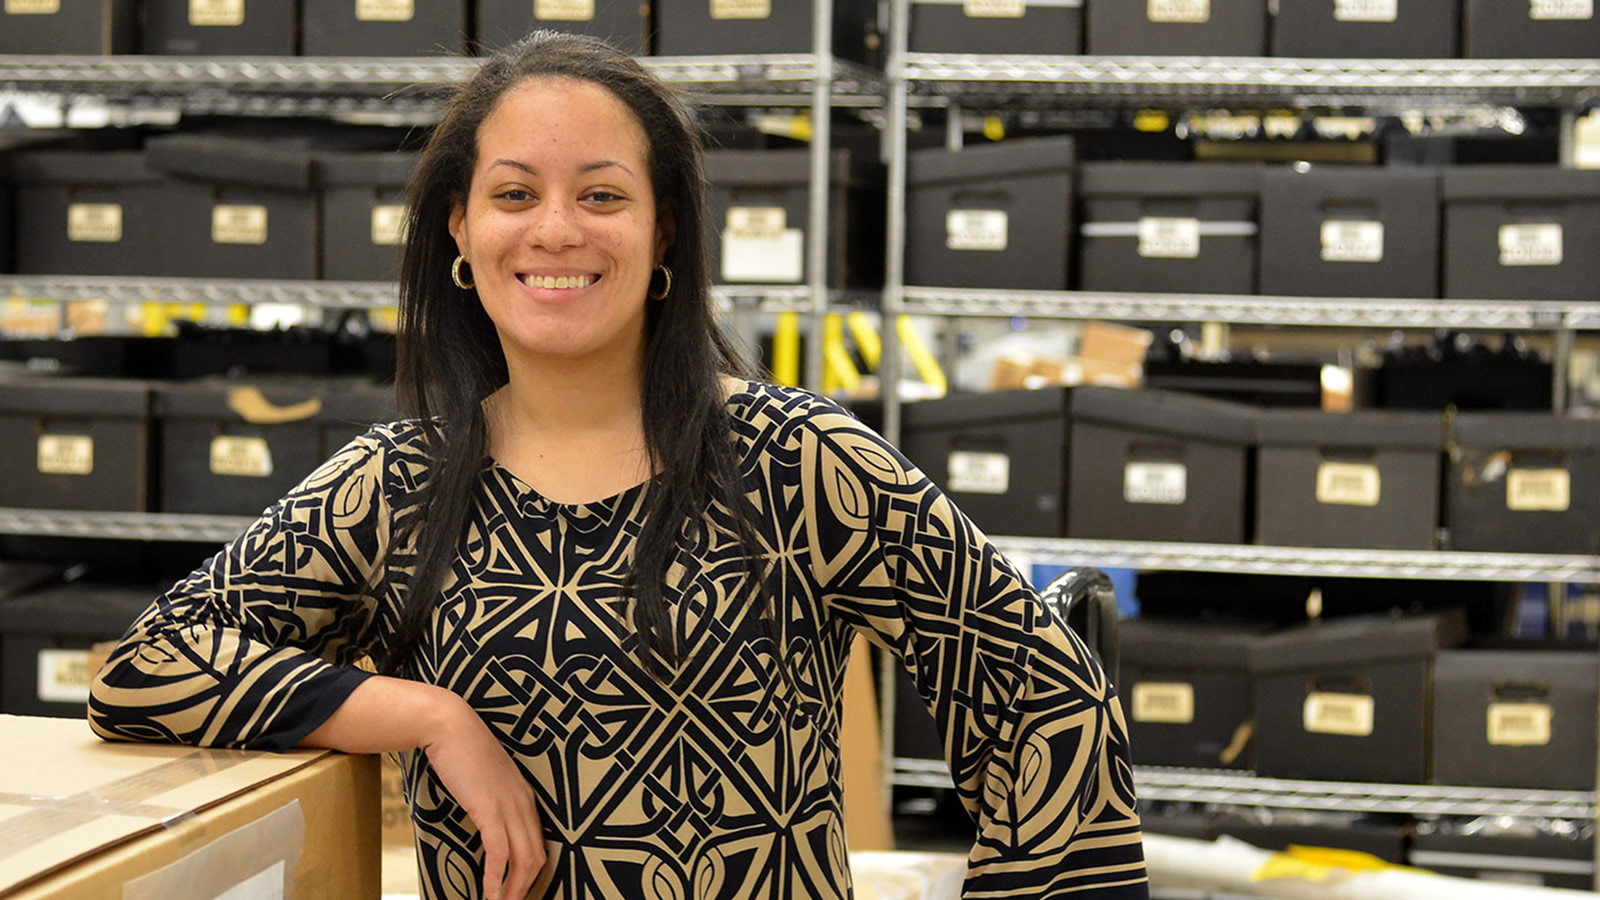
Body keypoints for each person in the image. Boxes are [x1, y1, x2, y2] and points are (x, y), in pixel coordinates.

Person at [88, 30, 1148, 900]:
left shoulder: (795, 461)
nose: (555, 230)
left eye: (600, 195)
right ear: (459, 229)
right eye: (513, 195)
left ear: (664, 229)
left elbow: (1047, 702)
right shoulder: (402, 481)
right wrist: (426, 715)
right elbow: (147, 667)